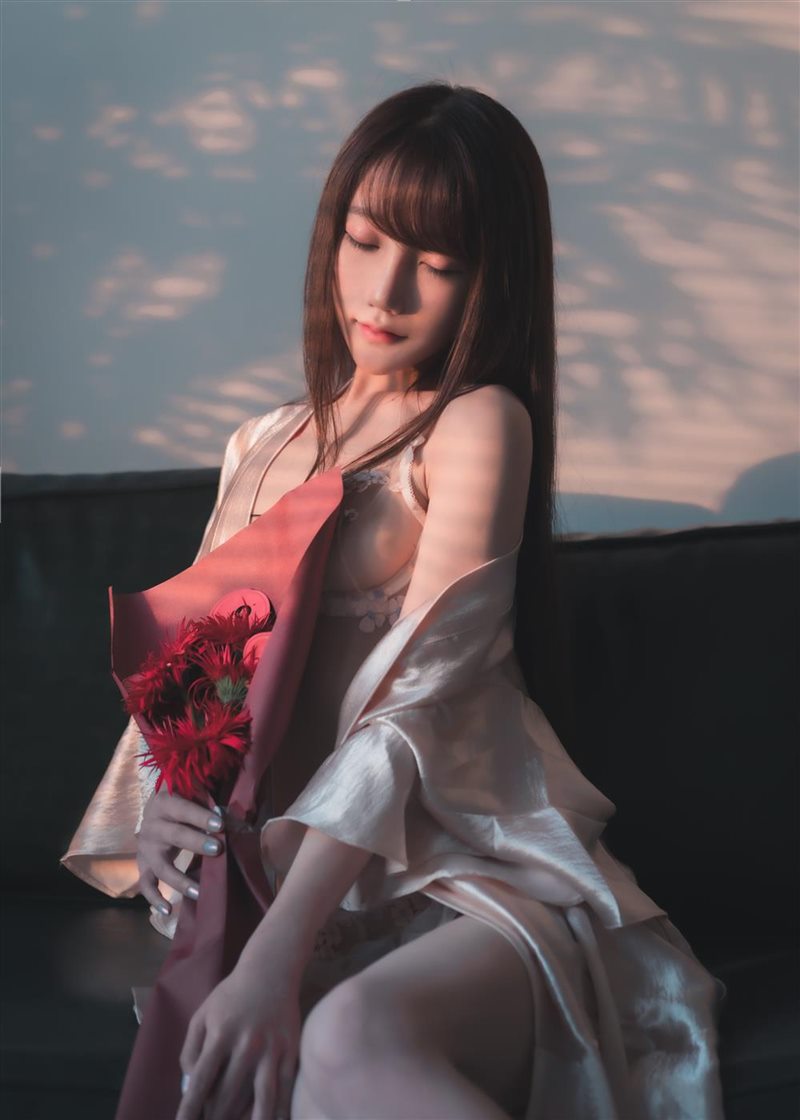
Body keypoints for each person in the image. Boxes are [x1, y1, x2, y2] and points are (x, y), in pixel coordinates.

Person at [61, 81, 727, 1120]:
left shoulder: (475, 424)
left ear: (491, 280)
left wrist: (273, 959)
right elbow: (194, 684)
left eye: (438, 263)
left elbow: (417, 702)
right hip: (270, 875)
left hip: (460, 869)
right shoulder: (259, 442)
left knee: (345, 1036)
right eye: (364, 240)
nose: (385, 290)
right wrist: (161, 816)